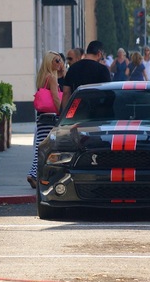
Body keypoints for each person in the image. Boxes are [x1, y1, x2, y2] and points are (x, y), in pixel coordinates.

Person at [27, 51, 63, 188]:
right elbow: (55, 97)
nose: (60, 63)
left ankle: (35, 174)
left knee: (39, 146)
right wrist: (62, 112)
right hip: (50, 117)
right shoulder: (52, 78)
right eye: (57, 61)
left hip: (41, 117)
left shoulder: (43, 77)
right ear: (50, 62)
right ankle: (34, 174)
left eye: (60, 60)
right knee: (45, 148)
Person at [61, 40, 111, 110]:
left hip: (76, 110)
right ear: (99, 54)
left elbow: (66, 92)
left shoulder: (73, 68)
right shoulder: (102, 70)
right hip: (96, 111)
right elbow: (108, 93)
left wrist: (64, 115)